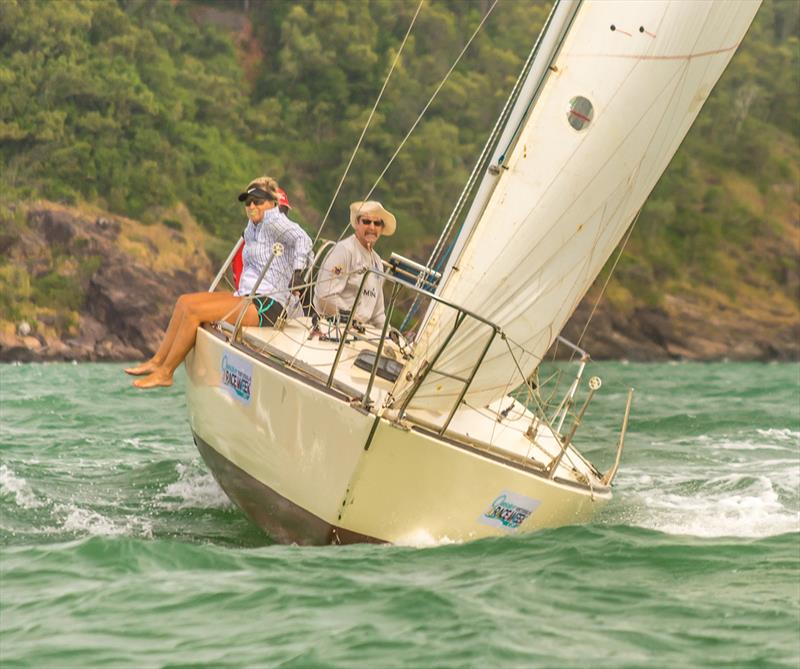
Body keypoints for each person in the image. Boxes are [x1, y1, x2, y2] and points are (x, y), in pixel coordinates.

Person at [125, 176, 313, 389]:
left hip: (268, 304)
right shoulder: (254, 226)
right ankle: (157, 361)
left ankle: (166, 373)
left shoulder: (274, 220)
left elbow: (303, 240)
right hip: (249, 296)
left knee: (195, 312)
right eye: (248, 201)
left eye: (258, 200)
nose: (251, 205)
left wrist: (298, 272)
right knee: (184, 302)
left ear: (271, 202)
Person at [313, 200, 396, 329]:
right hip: (330, 327)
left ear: (382, 228)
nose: (372, 227)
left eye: (377, 223)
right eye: (366, 221)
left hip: (358, 332)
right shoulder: (344, 250)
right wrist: (350, 318)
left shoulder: (377, 262)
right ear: (357, 223)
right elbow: (325, 295)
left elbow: (378, 314)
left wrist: (389, 333)